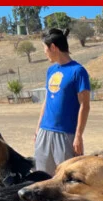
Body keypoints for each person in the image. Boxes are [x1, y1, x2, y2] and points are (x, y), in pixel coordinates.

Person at [34, 28, 91, 176]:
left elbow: (84, 105)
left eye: (45, 48)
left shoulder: (78, 71)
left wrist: (78, 135)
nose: (45, 52)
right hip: (45, 132)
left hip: (66, 135)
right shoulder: (50, 71)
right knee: (42, 178)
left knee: (66, 180)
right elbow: (46, 100)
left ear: (53, 47)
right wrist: (38, 128)